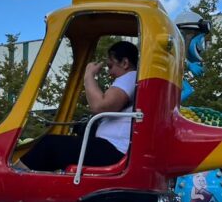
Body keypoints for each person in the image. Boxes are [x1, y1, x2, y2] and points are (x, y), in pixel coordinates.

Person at [21, 41, 138, 172]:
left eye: (110, 66)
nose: (109, 73)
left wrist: (88, 75)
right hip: (112, 148)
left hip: (114, 149)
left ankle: (17, 175)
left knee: (48, 145)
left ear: (125, 63)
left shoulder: (130, 77)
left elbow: (100, 106)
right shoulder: (131, 81)